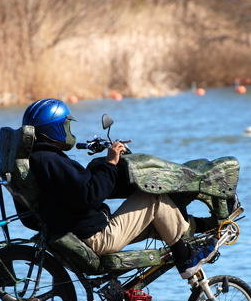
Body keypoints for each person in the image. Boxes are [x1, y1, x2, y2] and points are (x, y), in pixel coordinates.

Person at [23, 98, 217, 279]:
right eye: (66, 125)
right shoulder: (51, 161)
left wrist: (104, 167)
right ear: (54, 128)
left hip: (77, 233)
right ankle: (186, 259)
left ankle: (204, 226)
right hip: (96, 238)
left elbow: (79, 189)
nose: (69, 130)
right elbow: (91, 195)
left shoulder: (40, 159)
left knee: (154, 224)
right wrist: (110, 162)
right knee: (153, 197)